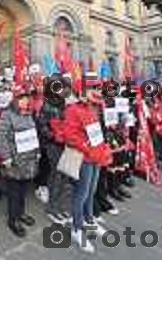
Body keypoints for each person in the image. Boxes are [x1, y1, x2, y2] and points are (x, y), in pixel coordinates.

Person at [62, 83, 112, 253]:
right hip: (83, 157)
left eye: (96, 89)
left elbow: (97, 131)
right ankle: (77, 228)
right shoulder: (72, 109)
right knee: (81, 194)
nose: (95, 92)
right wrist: (87, 148)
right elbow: (69, 136)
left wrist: (101, 149)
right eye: (91, 89)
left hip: (96, 155)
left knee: (91, 191)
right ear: (81, 92)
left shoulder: (95, 108)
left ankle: (89, 221)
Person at [0, 84, 40, 238]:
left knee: (23, 189)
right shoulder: (6, 114)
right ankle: (13, 219)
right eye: (21, 98)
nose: (24, 101)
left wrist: (37, 151)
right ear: (14, 100)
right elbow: (1, 137)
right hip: (14, 160)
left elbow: (33, 134)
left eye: (26, 98)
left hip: (28, 160)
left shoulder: (28, 113)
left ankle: (21, 213)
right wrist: (6, 157)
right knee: (14, 191)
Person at [36, 86, 71, 225]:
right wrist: (53, 136)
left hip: (66, 144)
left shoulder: (65, 104)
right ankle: (52, 208)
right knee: (56, 175)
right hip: (53, 145)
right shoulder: (47, 104)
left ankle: (61, 207)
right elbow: (41, 125)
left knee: (65, 176)